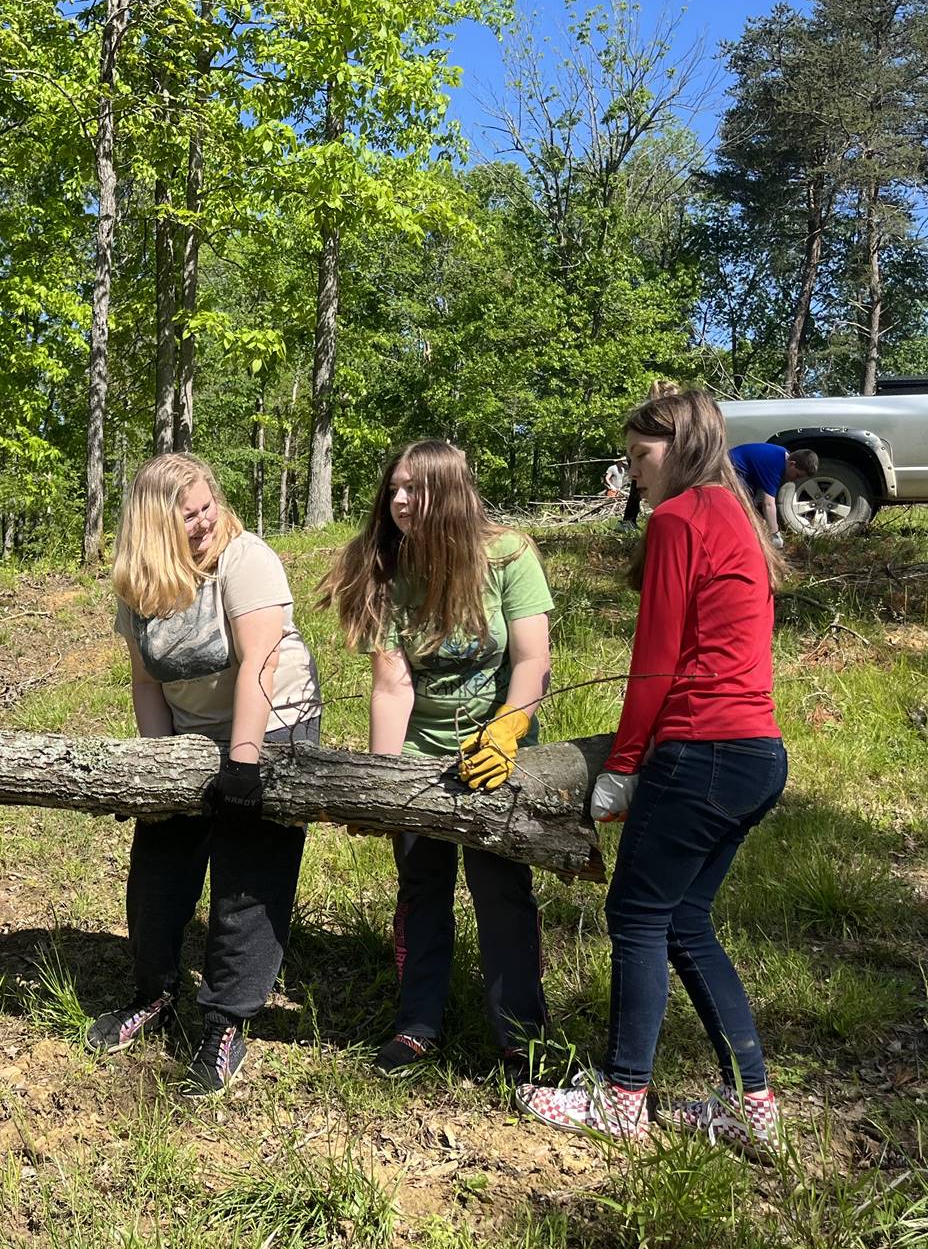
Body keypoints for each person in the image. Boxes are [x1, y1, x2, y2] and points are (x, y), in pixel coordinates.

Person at [517, 390, 788, 1152]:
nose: (632, 474)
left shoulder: (681, 519)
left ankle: (623, 1098)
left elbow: (656, 662)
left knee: (635, 917)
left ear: (684, 445)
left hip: (699, 752)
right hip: (757, 755)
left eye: (641, 458)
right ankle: (754, 1105)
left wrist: (625, 766)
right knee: (685, 923)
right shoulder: (735, 514)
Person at [88, 453, 322, 1096]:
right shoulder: (138, 584)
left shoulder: (246, 560)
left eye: (206, 506)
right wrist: (157, 770)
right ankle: (154, 992)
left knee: (248, 875)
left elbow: (260, 666)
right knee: (158, 869)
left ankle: (225, 1022)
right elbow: (145, 681)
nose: (202, 521)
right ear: (154, 527)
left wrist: (243, 766)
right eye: (186, 515)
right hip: (190, 735)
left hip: (273, 722)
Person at [319, 441, 553, 1080]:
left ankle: (522, 1037)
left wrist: (506, 731)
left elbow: (531, 661)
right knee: (422, 888)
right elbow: (394, 685)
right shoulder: (387, 570)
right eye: (394, 488)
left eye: (414, 490)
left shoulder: (510, 555)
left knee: (502, 891)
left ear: (450, 493)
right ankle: (418, 1022)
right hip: (421, 758)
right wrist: (381, 783)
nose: (398, 501)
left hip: (500, 756)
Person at [617, 380, 681, 534]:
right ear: (666, 393)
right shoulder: (656, 412)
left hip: (638, 453)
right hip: (641, 452)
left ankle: (629, 519)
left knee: (639, 486)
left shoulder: (655, 410)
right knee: (639, 486)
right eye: (674, 395)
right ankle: (629, 520)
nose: (678, 399)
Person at [728, 442, 818, 547]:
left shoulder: (784, 455)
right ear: (792, 464)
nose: (795, 480)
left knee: (751, 507)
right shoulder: (775, 466)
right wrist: (775, 534)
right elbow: (768, 504)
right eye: (797, 475)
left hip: (743, 472)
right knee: (743, 508)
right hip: (729, 470)